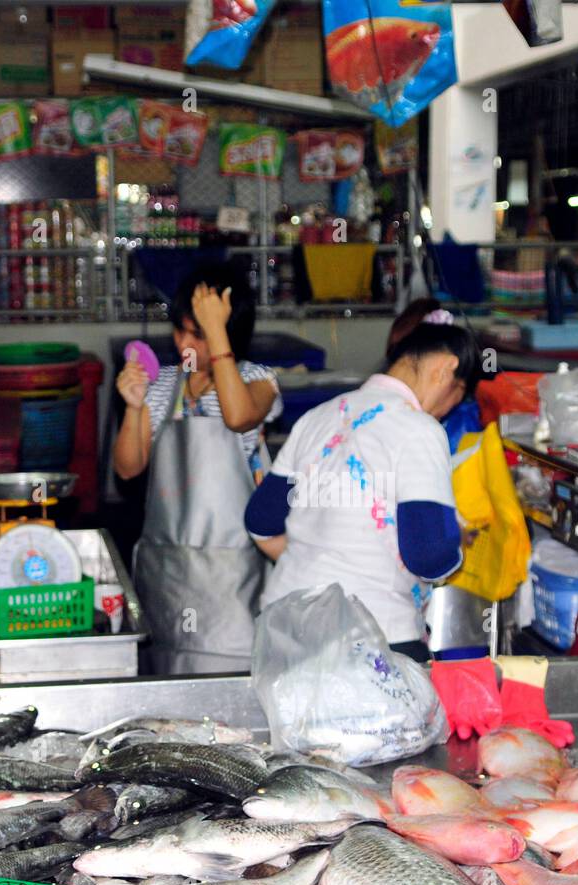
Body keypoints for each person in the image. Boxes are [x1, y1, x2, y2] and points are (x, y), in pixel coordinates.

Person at [243, 321, 489, 662]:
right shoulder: (419, 428)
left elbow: (261, 520)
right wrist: (456, 539)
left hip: (283, 630)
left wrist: (319, 555)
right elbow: (429, 555)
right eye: (458, 393)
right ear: (447, 368)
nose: (447, 410)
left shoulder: (318, 417)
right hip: (371, 640)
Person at [114, 262, 282, 673]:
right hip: (172, 571)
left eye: (199, 333)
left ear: (227, 333)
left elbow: (239, 416)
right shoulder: (162, 386)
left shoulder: (256, 380)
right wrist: (135, 407)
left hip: (237, 573)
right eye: (181, 330)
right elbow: (128, 468)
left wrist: (218, 330)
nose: (185, 342)